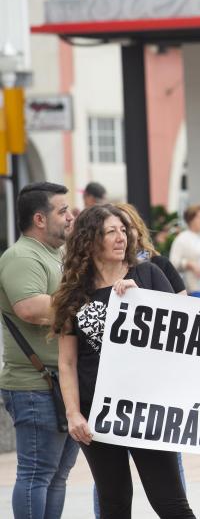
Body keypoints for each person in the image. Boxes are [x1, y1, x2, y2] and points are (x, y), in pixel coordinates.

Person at [51, 204, 195, 519]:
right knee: (113, 502)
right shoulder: (73, 294)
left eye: (123, 230)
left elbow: (180, 334)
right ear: (90, 241)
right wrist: (73, 413)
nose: (121, 238)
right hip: (97, 411)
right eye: (110, 232)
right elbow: (67, 363)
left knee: (170, 502)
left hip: (147, 407)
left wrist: (142, 299)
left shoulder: (148, 274)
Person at [0, 182, 79, 519]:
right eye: (63, 211)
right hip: (35, 384)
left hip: (61, 382)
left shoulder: (56, 255)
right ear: (39, 219)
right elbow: (30, 308)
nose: (71, 216)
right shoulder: (22, 257)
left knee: (57, 476)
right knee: (37, 474)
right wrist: (86, 303)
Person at [170, 204, 200, 298]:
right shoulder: (182, 239)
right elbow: (173, 262)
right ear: (190, 219)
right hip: (193, 289)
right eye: (198, 218)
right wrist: (189, 264)